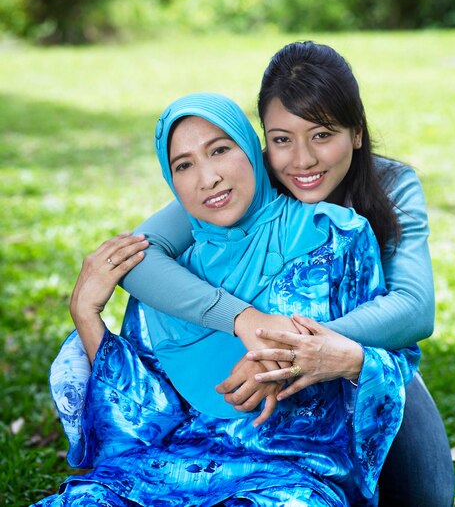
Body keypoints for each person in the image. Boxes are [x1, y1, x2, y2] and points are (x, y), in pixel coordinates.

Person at [33, 93, 419, 506]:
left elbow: (391, 356)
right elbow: (141, 419)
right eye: (184, 165)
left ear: (254, 150)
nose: (208, 178)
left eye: (219, 150)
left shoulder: (337, 236)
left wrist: (320, 354)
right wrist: (87, 316)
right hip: (160, 472)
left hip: (290, 473)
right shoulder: (169, 274)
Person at [118, 42, 455, 507]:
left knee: (426, 497)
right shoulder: (251, 178)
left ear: (356, 133)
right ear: (263, 143)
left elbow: (413, 309)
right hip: (255, 384)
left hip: (364, 357)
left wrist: (297, 352)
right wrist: (246, 321)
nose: (302, 161)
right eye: (281, 139)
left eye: (322, 135)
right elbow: (138, 256)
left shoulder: (391, 185)